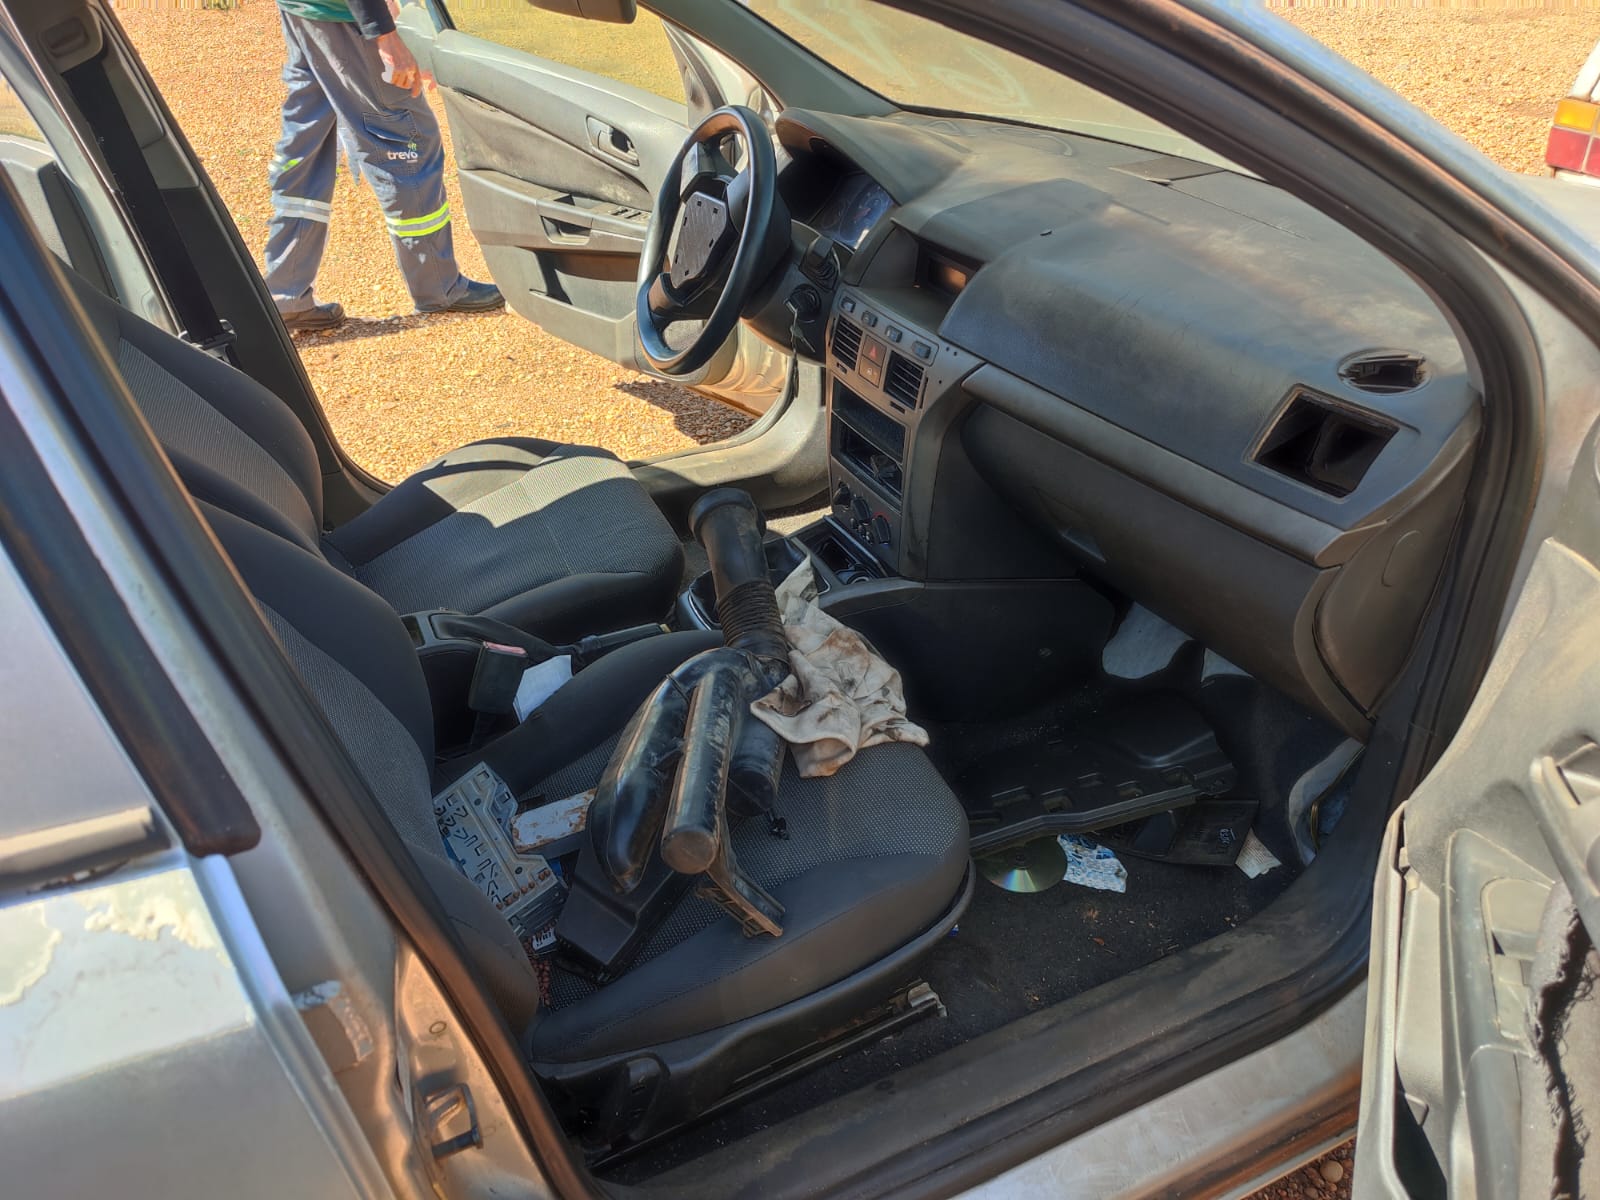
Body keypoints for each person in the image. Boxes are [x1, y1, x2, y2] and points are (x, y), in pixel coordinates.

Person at [265, 0, 502, 331]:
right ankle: (437, 285)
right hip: (346, 16)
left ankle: (286, 292)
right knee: (405, 139)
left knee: (307, 143)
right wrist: (385, 35)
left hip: (305, 10)